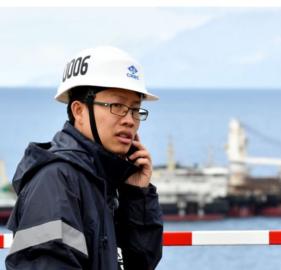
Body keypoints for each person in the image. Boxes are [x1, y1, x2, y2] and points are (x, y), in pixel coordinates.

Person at [6, 46, 163, 270]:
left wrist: (136, 195)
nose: (129, 119)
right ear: (79, 111)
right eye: (117, 106)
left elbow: (140, 263)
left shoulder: (101, 179)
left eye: (135, 109)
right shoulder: (56, 181)